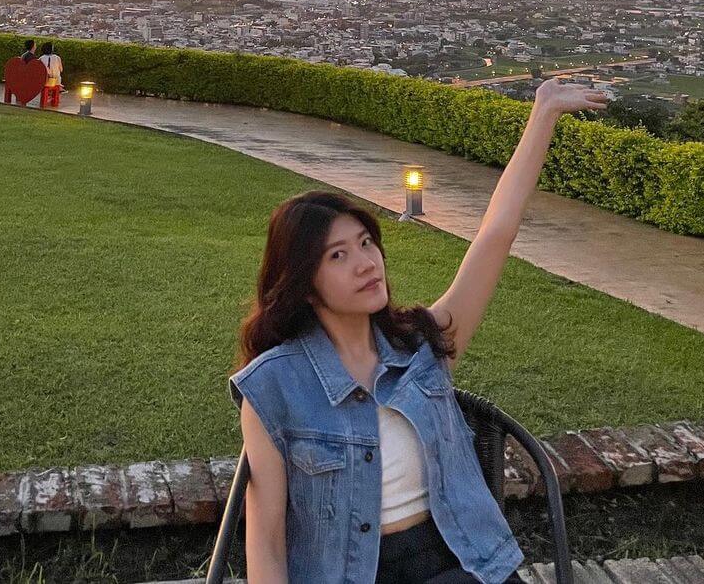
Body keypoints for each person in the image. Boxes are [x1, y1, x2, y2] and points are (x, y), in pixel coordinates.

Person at [229, 78, 611, 584]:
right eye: (338, 255)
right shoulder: (274, 386)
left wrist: (543, 114)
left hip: (462, 562)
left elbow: (496, 234)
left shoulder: (420, 346)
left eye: (366, 243)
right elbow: (267, 544)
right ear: (303, 284)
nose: (367, 263)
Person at [39, 41, 63, 108]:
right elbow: (61, 69)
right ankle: (55, 100)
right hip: (56, 81)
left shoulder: (41, 58)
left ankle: (46, 98)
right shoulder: (57, 58)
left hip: (45, 81)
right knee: (58, 79)